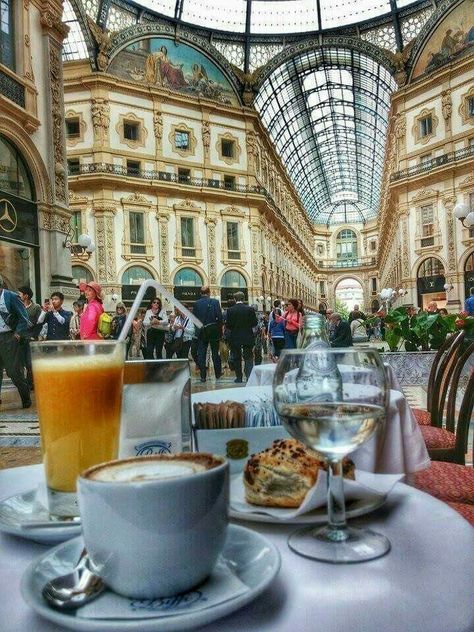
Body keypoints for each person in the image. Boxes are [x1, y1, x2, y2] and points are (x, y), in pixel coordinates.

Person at [0, 273, 31, 408]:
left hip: (9, 337)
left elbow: (24, 318)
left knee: (13, 372)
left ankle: (26, 398)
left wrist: (17, 334)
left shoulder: (11, 296)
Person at [225, 292, 257, 383]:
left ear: (235, 299)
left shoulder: (230, 310)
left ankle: (239, 378)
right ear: (243, 299)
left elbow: (229, 325)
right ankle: (248, 377)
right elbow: (254, 323)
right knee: (248, 357)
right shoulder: (250, 309)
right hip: (247, 337)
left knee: (236, 357)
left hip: (235, 337)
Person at [193, 286, 223, 383]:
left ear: (200, 293)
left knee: (202, 353)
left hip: (202, 331)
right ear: (209, 292)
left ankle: (203, 376)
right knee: (215, 353)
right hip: (213, 331)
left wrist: (199, 328)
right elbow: (220, 317)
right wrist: (218, 330)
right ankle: (218, 374)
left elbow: (194, 319)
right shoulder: (215, 302)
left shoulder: (196, 304)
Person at [17, 286, 42, 391]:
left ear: (26, 295)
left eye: (20, 294)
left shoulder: (36, 307)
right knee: (20, 363)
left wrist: (35, 335)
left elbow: (40, 323)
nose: (18, 295)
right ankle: (24, 384)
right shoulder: (18, 306)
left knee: (29, 363)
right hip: (19, 339)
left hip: (31, 338)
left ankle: (30, 383)